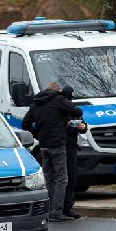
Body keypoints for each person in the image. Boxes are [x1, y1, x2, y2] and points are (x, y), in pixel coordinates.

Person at [21, 80, 81, 223]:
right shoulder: (58, 100)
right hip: (57, 145)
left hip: (43, 146)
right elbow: (77, 111)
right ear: (57, 90)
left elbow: (25, 123)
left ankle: (48, 210)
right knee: (62, 179)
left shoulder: (36, 102)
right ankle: (56, 211)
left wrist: (38, 134)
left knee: (49, 178)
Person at [60, 85, 87, 219]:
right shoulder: (59, 109)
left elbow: (83, 125)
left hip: (72, 147)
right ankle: (60, 207)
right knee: (62, 178)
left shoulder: (73, 110)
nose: (70, 102)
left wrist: (83, 127)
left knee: (72, 177)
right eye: (68, 99)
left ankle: (68, 206)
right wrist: (71, 128)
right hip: (62, 146)